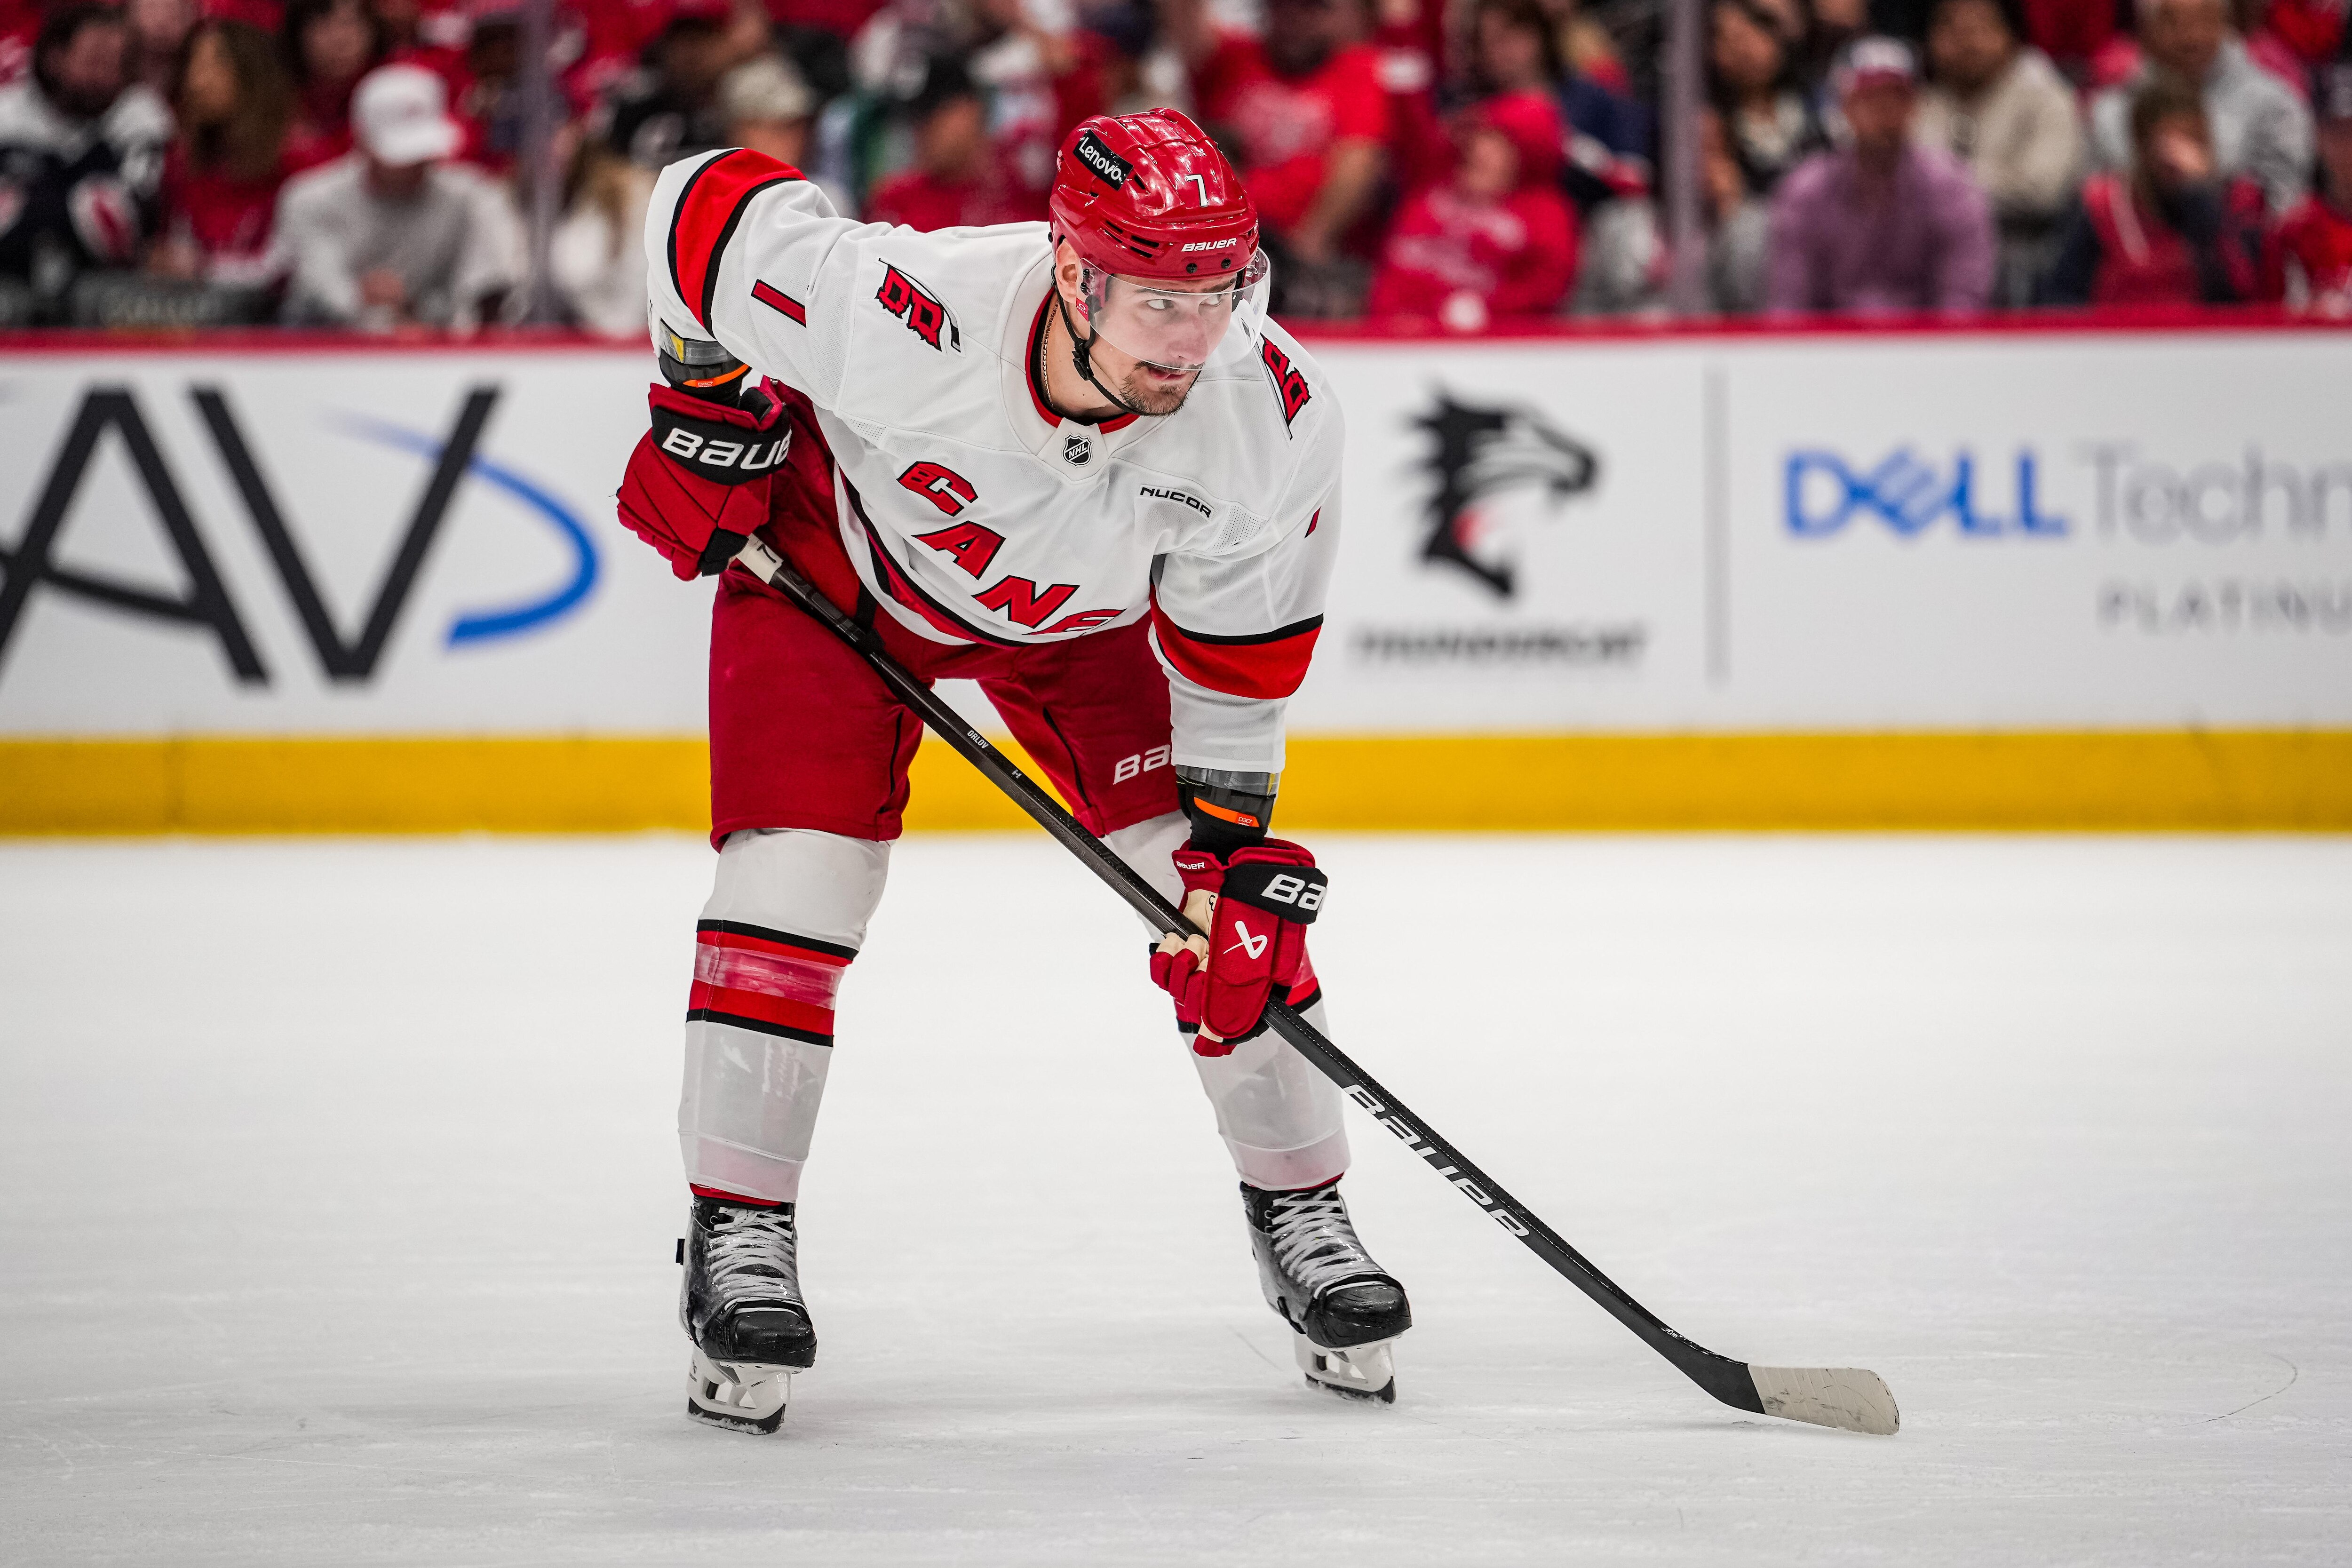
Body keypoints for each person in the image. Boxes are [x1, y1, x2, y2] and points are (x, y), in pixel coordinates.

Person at [615, 108, 1406, 1434]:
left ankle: (1305, 1209)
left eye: (1220, 293)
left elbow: (1238, 663)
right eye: (1160, 298)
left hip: (1085, 628)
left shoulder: (1268, 414)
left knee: (1216, 910)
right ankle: (739, 1234)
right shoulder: (909, 313)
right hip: (835, 567)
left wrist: (1230, 850)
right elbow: (700, 205)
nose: (1195, 337)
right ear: (1078, 272)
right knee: (800, 880)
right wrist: (699, 400)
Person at [1165, 0, 1390, 313]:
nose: (1295, 18)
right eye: (1283, 6)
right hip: (1221, 240)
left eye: (1312, 9)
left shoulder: (1355, 68)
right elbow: (1184, 22)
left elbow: (1358, 161)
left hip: (1302, 248)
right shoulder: (1234, 58)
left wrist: (1312, 240)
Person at [274, 60, 523, 326]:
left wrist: (442, 315)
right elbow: (330, 296)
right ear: (363, 141)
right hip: (325, 353)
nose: (417, 163)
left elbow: (490, 292)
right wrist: (366, 303)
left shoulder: (473, 196)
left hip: (438, 349)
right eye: (403, 154)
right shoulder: (309, 201)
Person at [1767, 37, 1997, 312]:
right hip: (1831, 350)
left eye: (1898, 98)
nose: (1886, 113)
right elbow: (1788, 306)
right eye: (1871, 100)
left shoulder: (1952, 187)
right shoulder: (1806, 193)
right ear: (1845, 108)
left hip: (1929, 348)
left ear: (1914, 107)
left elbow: (1964, 302)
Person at [0, 3, 173, 313]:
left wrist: (31, 206)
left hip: (111, 284)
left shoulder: (140, 116)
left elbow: (129, 223)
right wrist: (82, 205)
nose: (106, 75)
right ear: (54, 59)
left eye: (117, 64)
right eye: (95, 61)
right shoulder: (7, 117)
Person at [2038, 75, 2267, 302]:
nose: (2180, 156)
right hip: (2122, 334)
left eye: (2192, 139)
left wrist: (2199, 197)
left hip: (2208, 336)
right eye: (2169, 142)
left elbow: (2243, 294)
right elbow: (2062, 298)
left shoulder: (2239, 199)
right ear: (2142, 145)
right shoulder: (2104, 205)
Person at [1914, 0, 2083, 302]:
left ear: (2013, 37)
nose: (1967, 42)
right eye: (1951, 28)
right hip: (1930, 260)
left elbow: (2040, 192)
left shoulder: (2046, 97)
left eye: (1981, 27)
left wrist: (1947, 184)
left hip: (2024, 256)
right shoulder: (1918, 105)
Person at [1365, 92, 1578, 325]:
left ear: (1526, 156)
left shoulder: (1544, 213)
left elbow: (1545, 287)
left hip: (1489, 347)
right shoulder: (1431, 192)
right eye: (1479, 138)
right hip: (1391, 337)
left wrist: (1484, 309)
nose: (1478, 150)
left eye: (1499, 144)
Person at [2087, 0, 2311, 215]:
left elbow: (2285, 205)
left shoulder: (2276, 106)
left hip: (2240, 247)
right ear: (2147, 29)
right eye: (2172, 21)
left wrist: (2210, 180)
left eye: (2204, 19)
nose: (2190, 37)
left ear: (2225, 24)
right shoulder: (2109, 115)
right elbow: (2095, 208)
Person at [1576, 107, 1771, 313]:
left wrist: (1733, 219)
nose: (1697, 162)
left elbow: (1748, 308)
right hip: (1625, 341)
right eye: (1687, 149)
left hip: (1705, 342)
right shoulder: (1614, 222)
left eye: (1711, 149)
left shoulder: (1744, 224)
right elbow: (1585, 309)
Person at [151, 16, 298, 286]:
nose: (196, 81)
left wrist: (205, 268)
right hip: (203, 314)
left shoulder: (296, 165)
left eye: (213, 66)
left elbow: (291, 267)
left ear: (253, 76)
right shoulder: (182, 162)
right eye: (192, 66)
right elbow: (179, 249)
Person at [861, 54, 1044, 229]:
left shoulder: (1026, 175)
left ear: (970, 109)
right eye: (911, 117)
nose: (918, 130)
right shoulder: (895, 201)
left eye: (930, 113)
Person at [1711, 0, 1821, 195]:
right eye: (1733, 40)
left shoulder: (1815, 102)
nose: (1747, 52)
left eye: (1755, 33)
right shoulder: (1715, 125)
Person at [2266, 64, 2352, 311]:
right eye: (2339, 131)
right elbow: (2277, 323)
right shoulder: (2294, 231)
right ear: (2319, 136)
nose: (2349, 145)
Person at [280, 0, 386, 168]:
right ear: (298, 32)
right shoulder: (274, 97)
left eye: (352, 23)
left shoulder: (394, 86)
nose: (340, 39)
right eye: (324, 24)